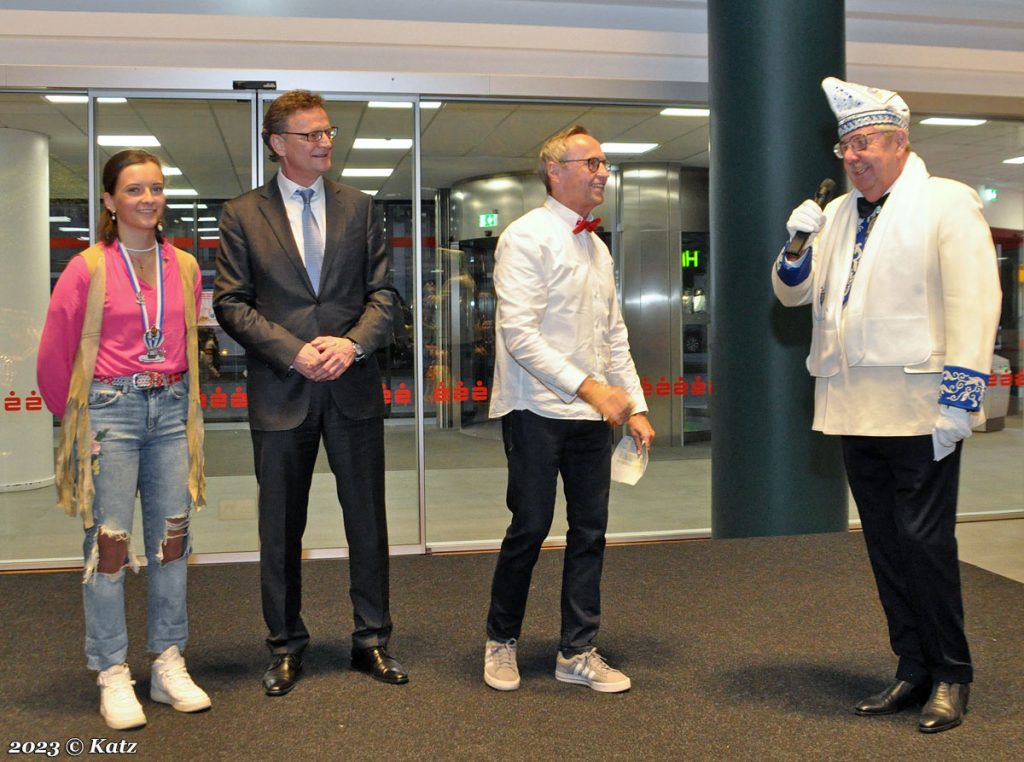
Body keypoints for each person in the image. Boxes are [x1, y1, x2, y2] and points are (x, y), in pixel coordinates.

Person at [772, 78, 1001, 733]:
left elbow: (974, 300)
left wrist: (960, 399)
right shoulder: (839, 213)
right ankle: (912, 666)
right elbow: (790, 293)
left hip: (920, 405)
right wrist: (796, 244)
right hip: (853, 405)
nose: (853, 156)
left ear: (900, 143)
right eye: (846, 146)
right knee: (883, 544)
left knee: (924, 542)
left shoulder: (945, 201)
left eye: (866, 143)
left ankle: (952, 673)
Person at [213, 89, 403, 696]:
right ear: (278, 143)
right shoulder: (242, 214)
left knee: (367, 521)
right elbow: (231, 303)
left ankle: (371, 641)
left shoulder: (360, 208)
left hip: (352, 386)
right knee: (279, 528)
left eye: (328, 132)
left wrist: (351, 345)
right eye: (311, 134)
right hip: (282, 388)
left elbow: (384, 296)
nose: (325, 143)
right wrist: (294, 351)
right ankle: (285, 646)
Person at [37, 149, 210, 730]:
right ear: (110, 201)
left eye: (156, 188)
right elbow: (55, 351)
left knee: (172, 542)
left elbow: (183, 338)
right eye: (134, 190)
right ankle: (111, 669)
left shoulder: (184, 265)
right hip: (110, 413)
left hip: (173, 410)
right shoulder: (87, 267)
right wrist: (74, 423)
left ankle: (167, 661)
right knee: (108, 546)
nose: (148, 199)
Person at [483, 125, 655, 693]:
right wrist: (590, 388)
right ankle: (501, 640)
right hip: (534, 409)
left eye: (604, 163)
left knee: (590, 532)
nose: (603, 172)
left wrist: (634, 405)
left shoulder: (597, 248)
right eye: (592, 163)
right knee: (530, 527)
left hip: (591, 416)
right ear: (554, 171)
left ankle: (576, 650)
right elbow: (519, 335)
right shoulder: (525, 237)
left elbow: (613, 335)